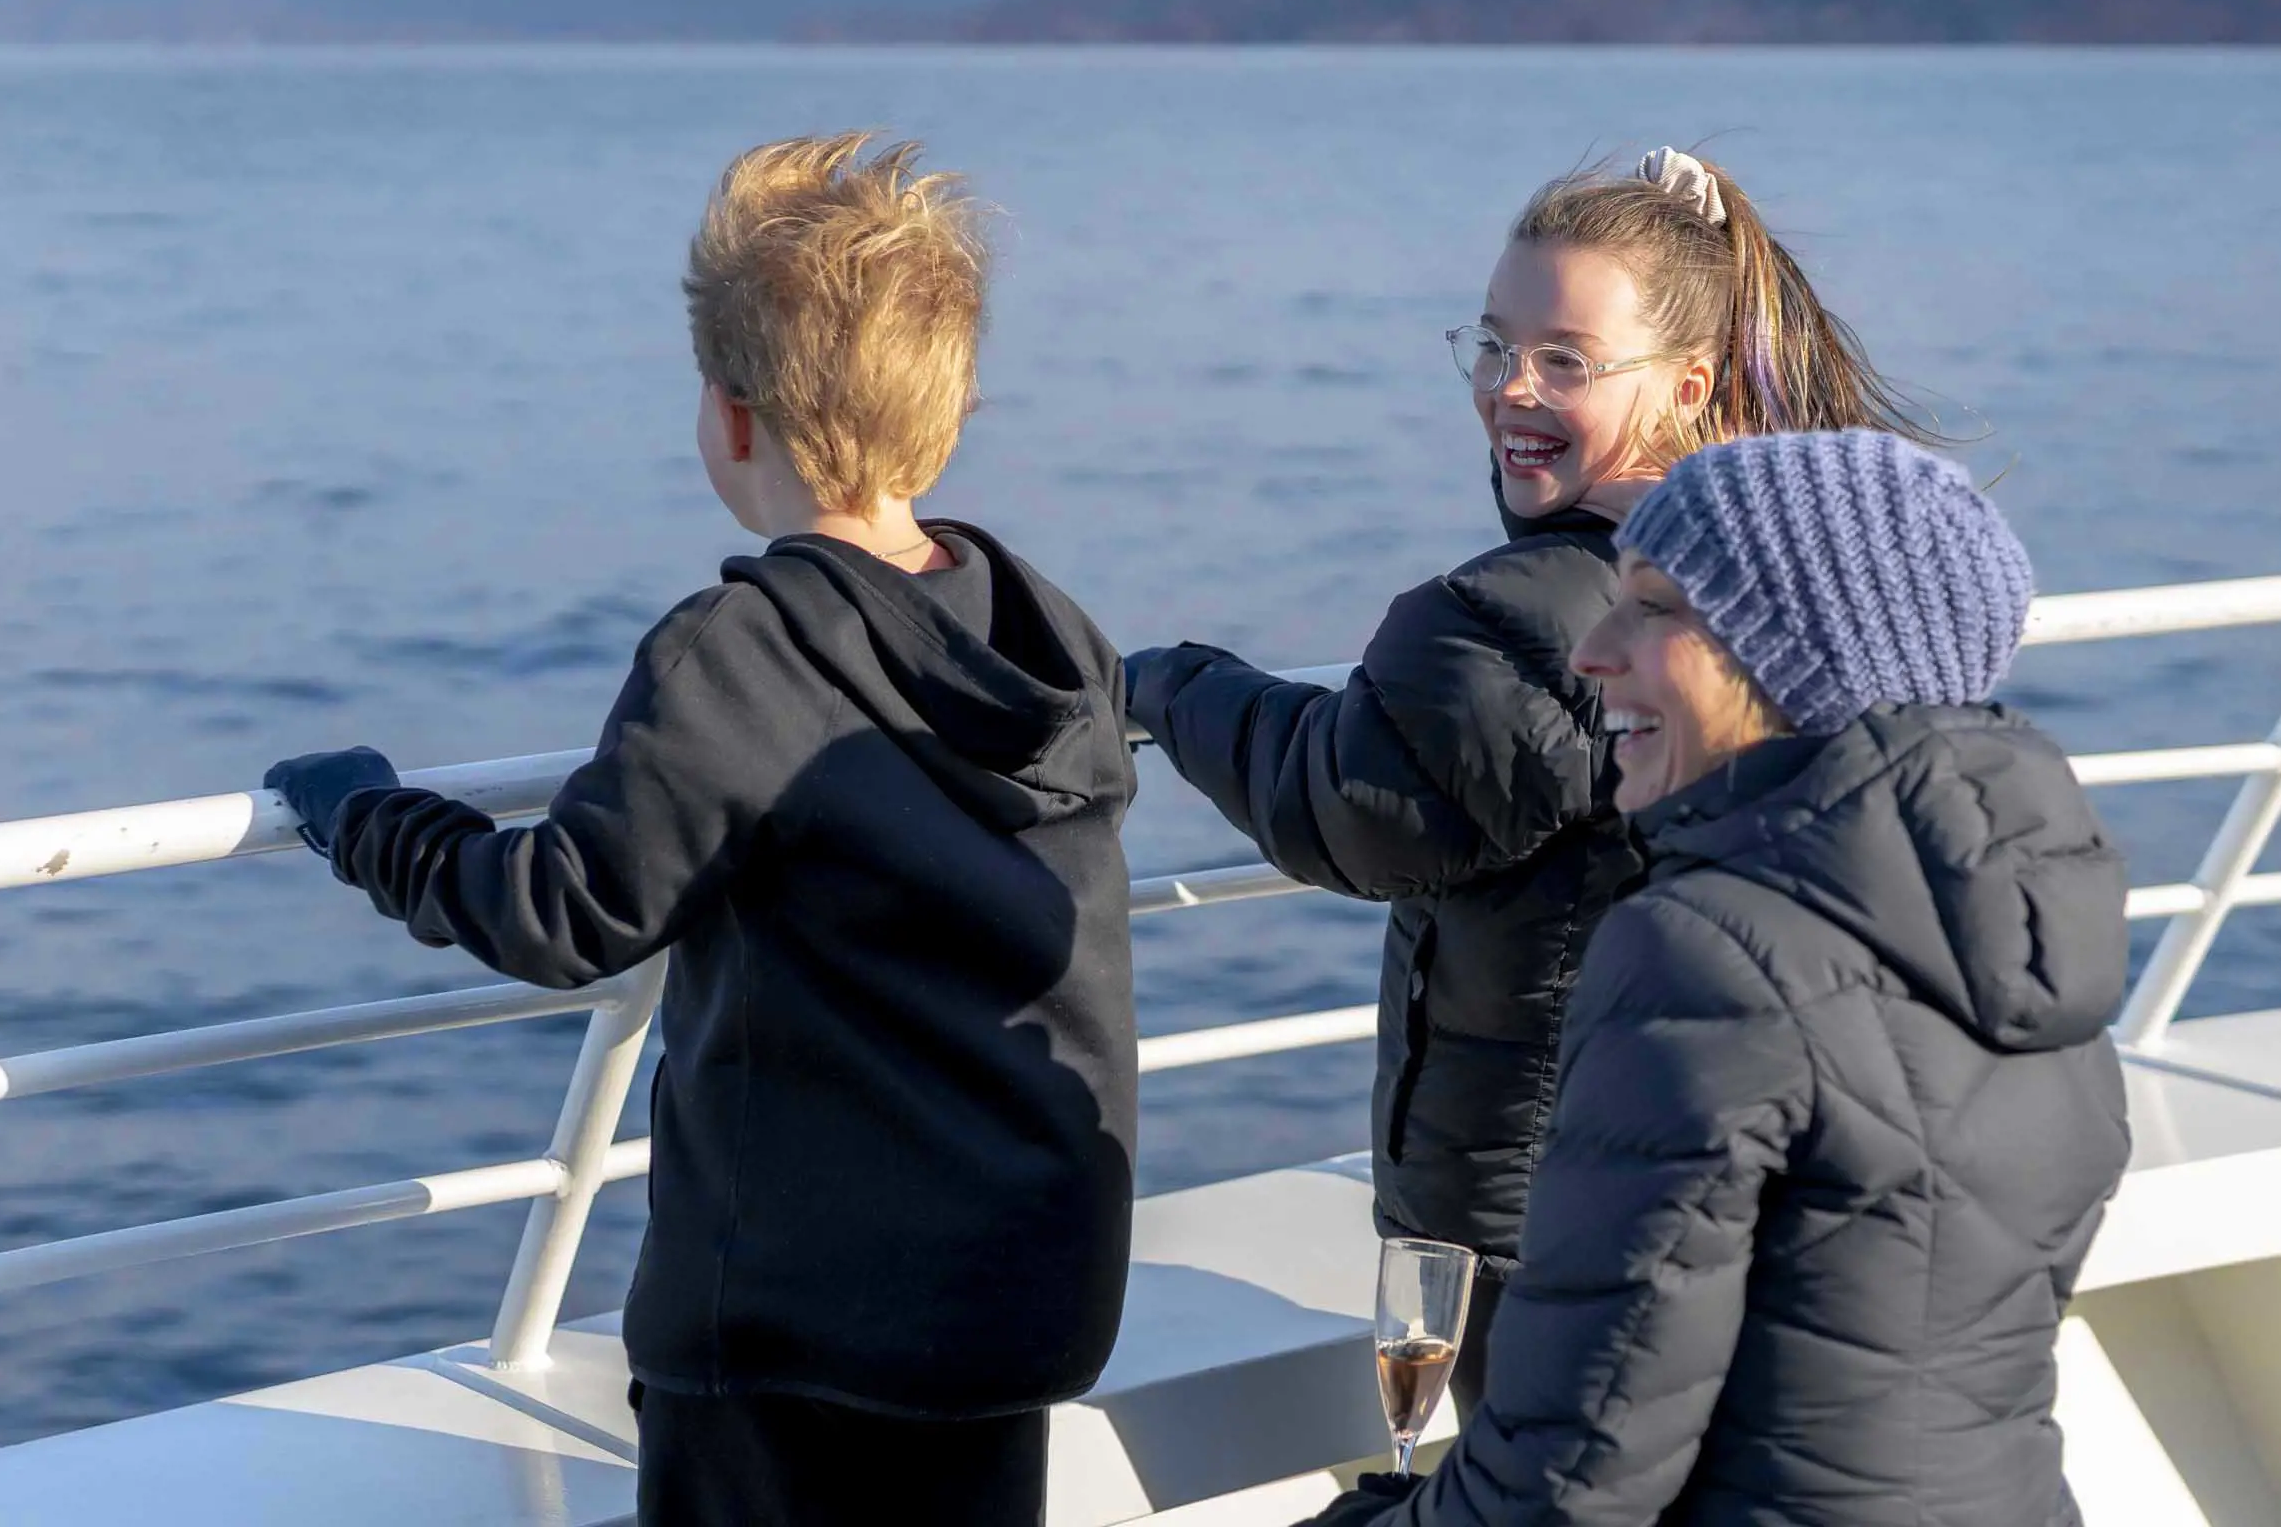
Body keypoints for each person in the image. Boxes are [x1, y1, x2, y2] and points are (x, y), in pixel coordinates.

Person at [262, 134, 1137, 1527]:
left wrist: (357, 810)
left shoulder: (744, 649)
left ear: (729, 419)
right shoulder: (1047, 637)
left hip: (800, 1331)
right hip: (1006, 1303)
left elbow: (558, 911)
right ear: (952, 408)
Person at [1125, 148, 1924, 1413]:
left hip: (1542, 1218)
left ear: (1688, 385)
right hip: (1744, 1175)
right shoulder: (1797, 576)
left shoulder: (1504, 616)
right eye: (1493, 346)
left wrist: (1160, 683)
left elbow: (1348, 804)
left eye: (1565, 357)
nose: (1512, 389)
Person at [1310, 428, 2131, 1527]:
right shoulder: (2024, 928)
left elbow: (1569, 1475)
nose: (1595, 650)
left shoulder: (1707, 954)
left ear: (1791, 657)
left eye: (1652, 606)